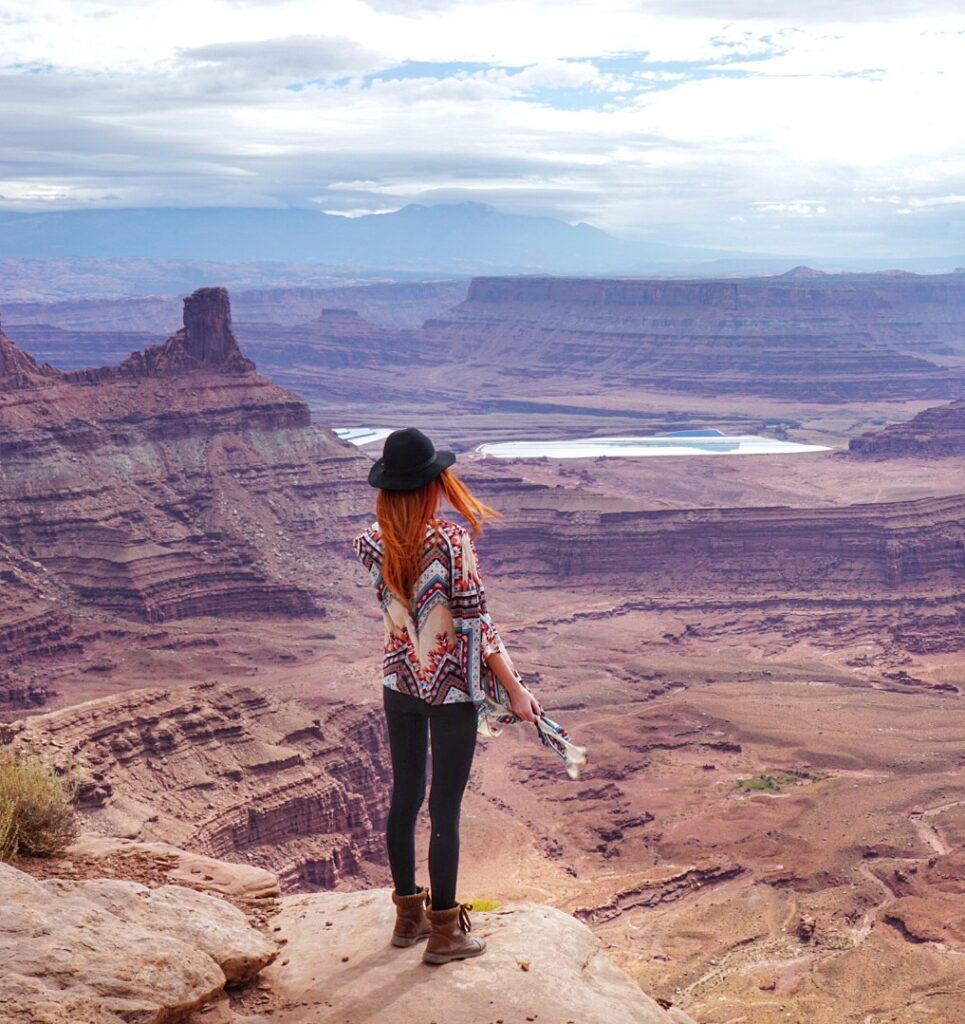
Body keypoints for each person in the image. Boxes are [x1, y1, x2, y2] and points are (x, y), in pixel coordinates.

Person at [352, 426, 542, 966]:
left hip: (399, 683)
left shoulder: (370, 542)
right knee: (445, 809)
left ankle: (407, 919)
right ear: (431, 484)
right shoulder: (452, 543)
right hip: (451, 686)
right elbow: (478, 625)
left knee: (404, 796)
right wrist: (516, 690)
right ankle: (444, 933)